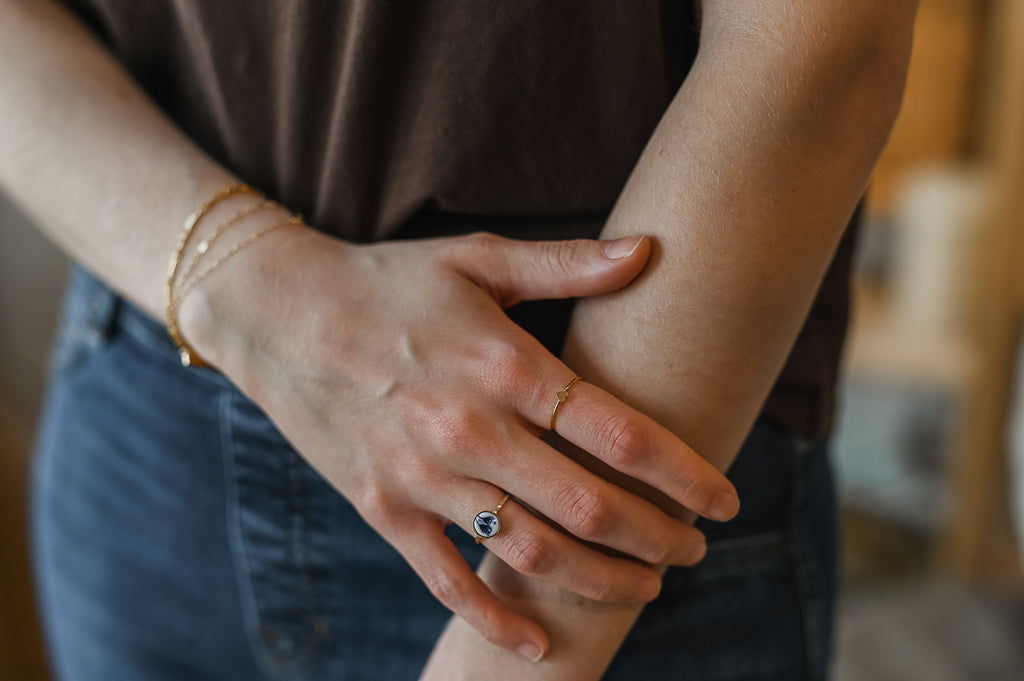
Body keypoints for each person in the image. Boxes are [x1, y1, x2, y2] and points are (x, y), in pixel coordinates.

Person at [0, 1, 917, 679]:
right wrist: (234, 275)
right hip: (153, 405)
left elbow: (815, 48)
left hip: (618, 449)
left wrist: (529, 635)